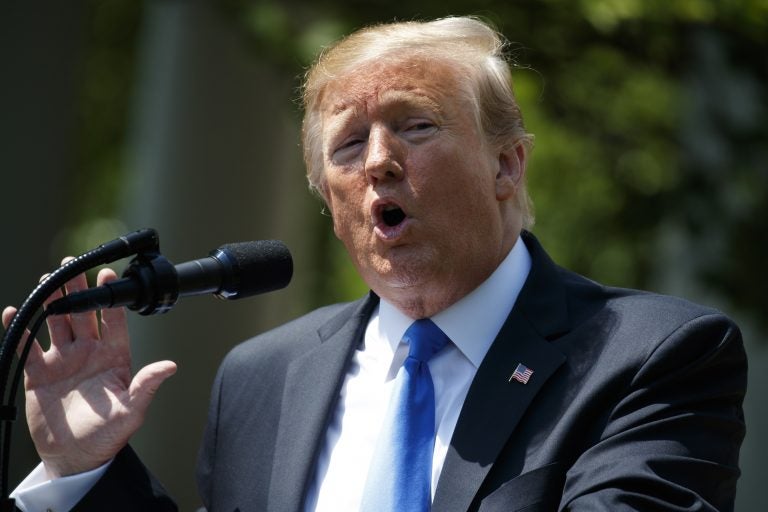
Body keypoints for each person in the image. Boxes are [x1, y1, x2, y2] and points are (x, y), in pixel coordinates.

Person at [4, 16, 746, 512]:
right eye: (348, 146)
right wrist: (88, 471)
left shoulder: (651, 355)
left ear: (507, 165)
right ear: (328, 200)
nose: (380, 162)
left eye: (416, 126)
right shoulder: (262, 378)